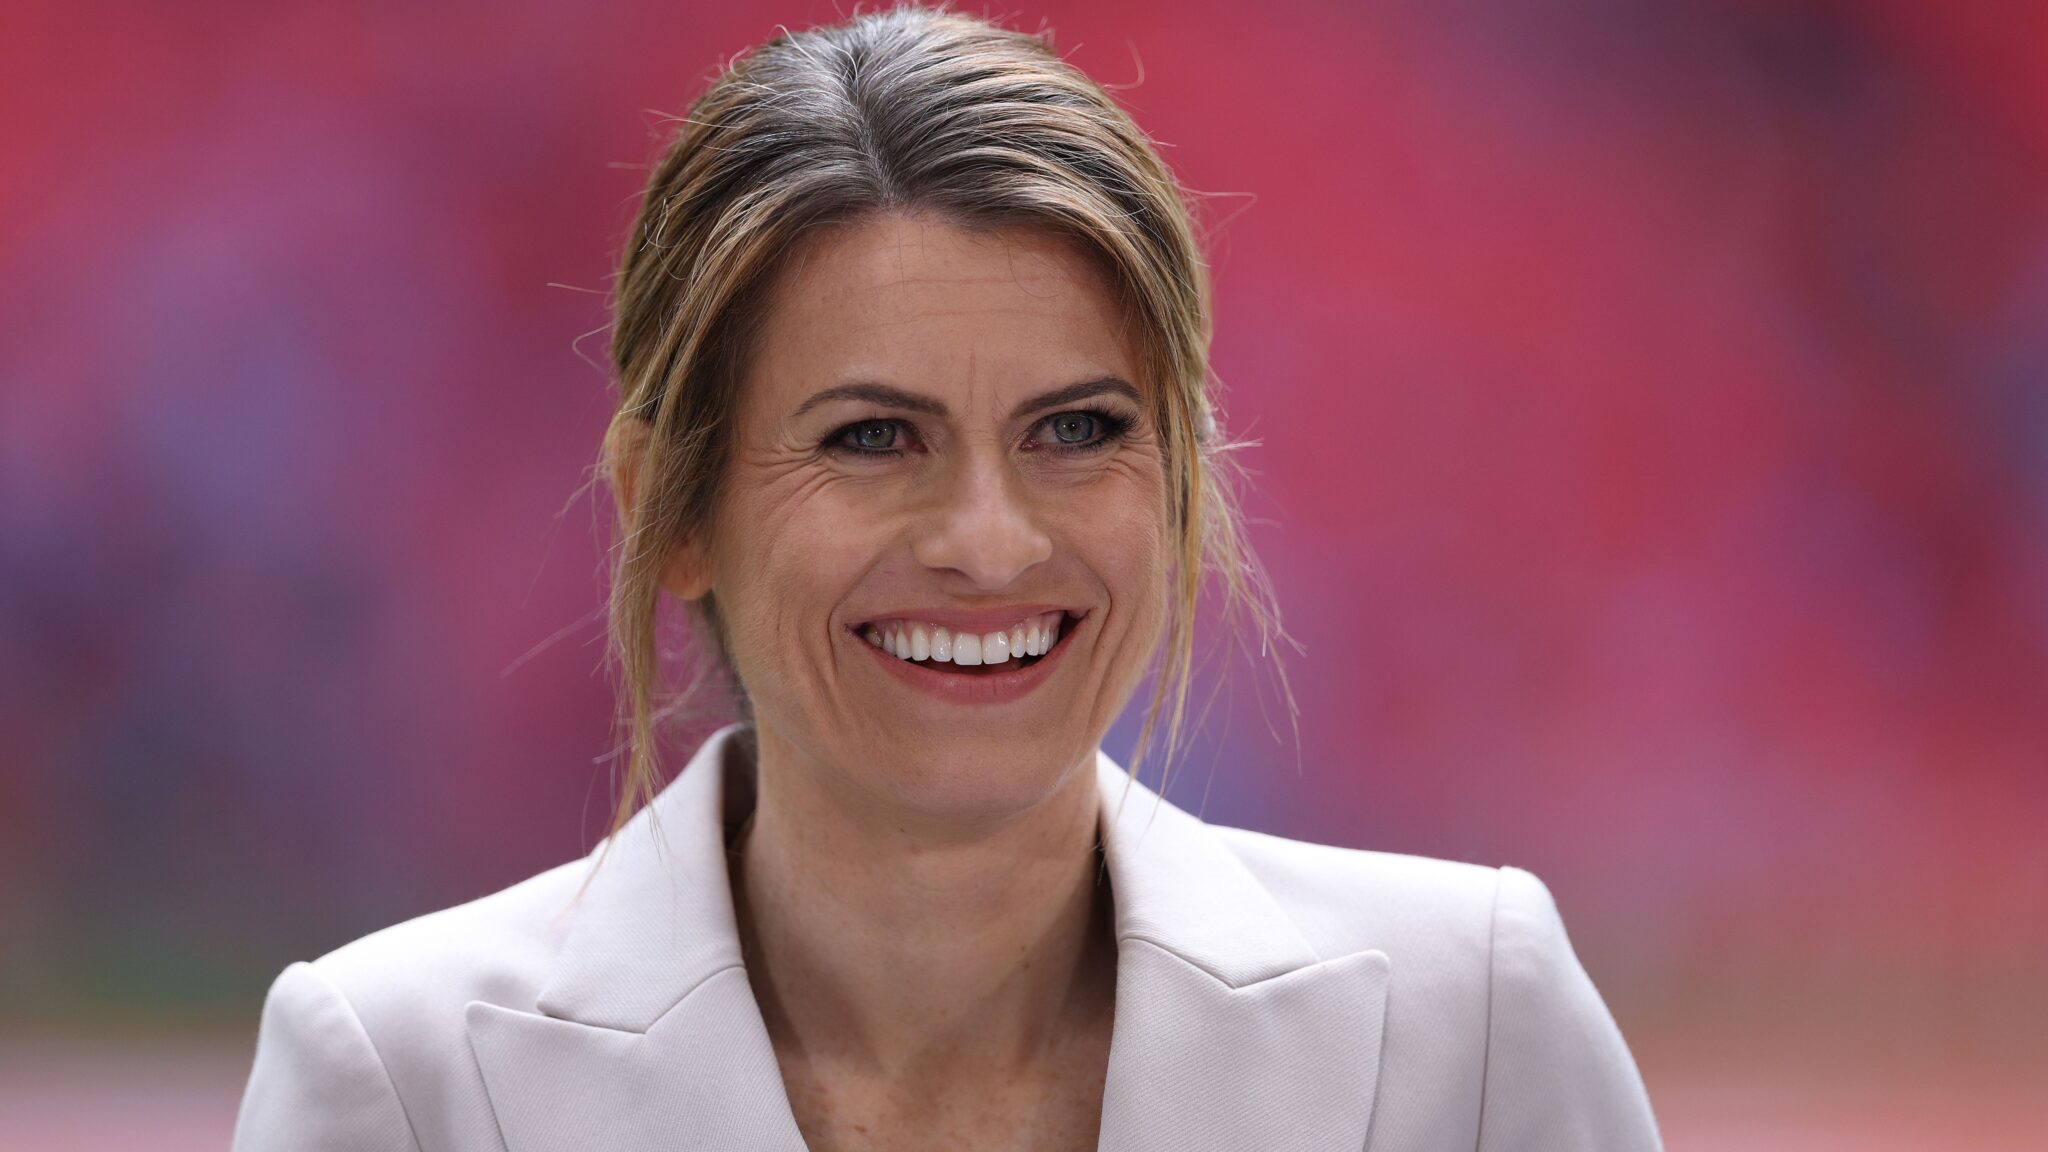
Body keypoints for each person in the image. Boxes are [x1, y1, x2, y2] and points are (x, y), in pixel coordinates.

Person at [231, 5, 1664, 1149]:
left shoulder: (1478, 1029)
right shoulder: (398, 1081)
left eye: (1078, 430)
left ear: (1181, 483)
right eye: (871, 437)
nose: (989, 540)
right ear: (666, 509)